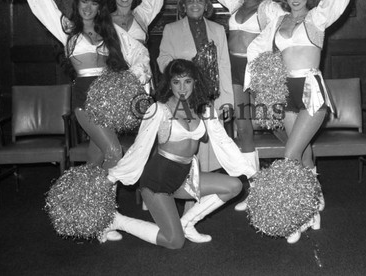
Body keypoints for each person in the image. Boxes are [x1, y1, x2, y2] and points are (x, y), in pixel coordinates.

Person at [245, 0, 352, 243]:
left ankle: (297, 217)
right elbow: (256, 48)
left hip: (311, 91)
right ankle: (314, 203)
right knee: (303, 156)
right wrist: (259, 81)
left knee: (290, 157)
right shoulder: (278, 21)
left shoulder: (317, 18)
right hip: (285, 91)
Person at [104, 59, 257, 249]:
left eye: (187, 81)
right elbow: (140, 147)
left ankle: (187, 223)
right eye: (176, 82)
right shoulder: (159, 109)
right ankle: (118, 221)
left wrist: (251, 172)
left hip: (185, 177)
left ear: (195, 82)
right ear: (169, 83)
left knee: (234, 186)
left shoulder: (205, 109)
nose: (182, 88)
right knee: (174, 241)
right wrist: (112, 177)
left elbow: (224, 141)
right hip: (157, 181)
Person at [23, 0, 152, 171]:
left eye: (93, 3)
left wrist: (134, 76)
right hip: (84, 99)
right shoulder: (68, 30)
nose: (88, 8)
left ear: (100, 7)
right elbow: (46, 7)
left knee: (95, 159)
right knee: (114, 152)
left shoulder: (110, 32)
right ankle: (103, 198)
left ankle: (85, 197)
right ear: (77, 4)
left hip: (110, 101)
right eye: (84, 2)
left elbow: (139, 52)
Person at [196, 0, 284, 210]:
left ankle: (302, 170)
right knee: (243, 128)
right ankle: (254, 189)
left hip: (257, 72)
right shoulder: (235, 3)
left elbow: (288, 26)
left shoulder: (268, 8)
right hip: (233, 71)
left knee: (275, 124)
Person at [157, 0, 233, 173]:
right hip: (184, 95)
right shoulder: (171, 29)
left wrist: (227, 101)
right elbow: (163, 59)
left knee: (210, 147)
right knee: (187, 145)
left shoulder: (218, 29)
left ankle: (205, 191)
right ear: (183, 6)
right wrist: (185, 70)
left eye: (200, 0)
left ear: (206, 5)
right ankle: (187, 191)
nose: (195, 5)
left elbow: (224, 65)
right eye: (190, 1)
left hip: (211, 95)